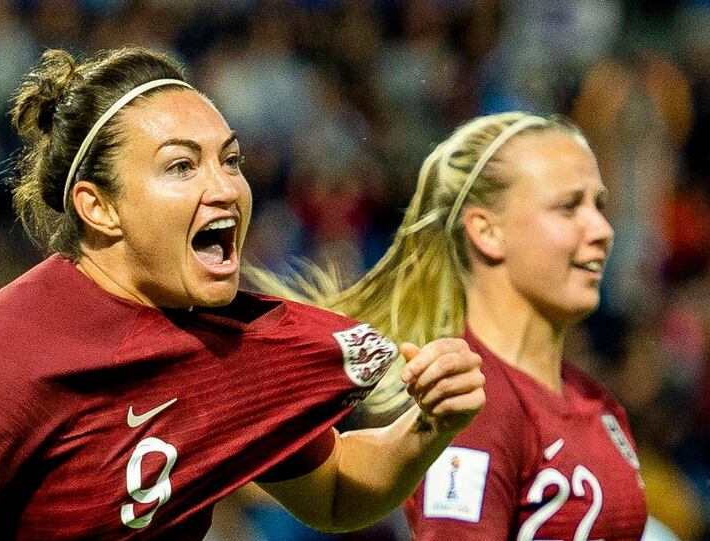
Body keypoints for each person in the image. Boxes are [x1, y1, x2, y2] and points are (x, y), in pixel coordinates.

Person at [0, 47, 486, 540]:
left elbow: (334, 493)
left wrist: (428, 426)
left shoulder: (226, 342)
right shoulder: (3, 355)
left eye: (230, 160)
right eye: (182, 165)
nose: (226, 188)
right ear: (99, 208)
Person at [251, 112, 651, 539]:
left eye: (600, 205)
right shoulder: (472, 411)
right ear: (486, 231)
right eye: (569, 206)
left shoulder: (593, 399)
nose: (603, 229)